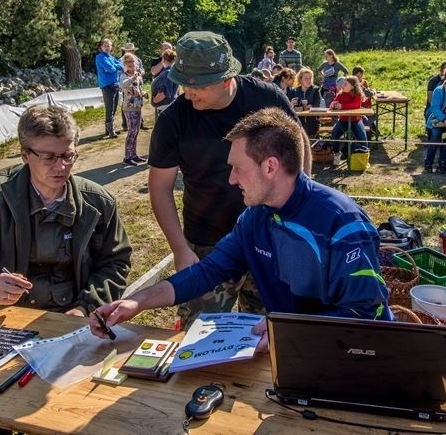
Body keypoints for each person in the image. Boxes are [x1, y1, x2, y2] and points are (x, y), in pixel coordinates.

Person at [92, 108, 392, 351]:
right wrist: (137, 301)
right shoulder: (254, 218)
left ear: (270, 167)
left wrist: (291, 332)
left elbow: (367, 314)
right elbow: (208, 271)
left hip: (353, 358)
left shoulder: (343, 223)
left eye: (238, 168)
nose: (232, 179)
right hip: (294, 351)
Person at [0, 105, 132, 435]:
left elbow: (115, 262)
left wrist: (85, 307)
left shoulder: (98, 202)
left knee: (83, 415)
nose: (61, 167)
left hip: (72, 327)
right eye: (48, 157)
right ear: (24, 155)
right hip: (3, 326)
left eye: (68, 156)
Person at [148, 31, 311, 330]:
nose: (188, 93)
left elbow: (298, 143)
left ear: (226, 80)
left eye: (198, 86)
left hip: (268, 236)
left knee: (269, 332)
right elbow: (159, 186)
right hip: (207, 242)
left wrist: (299, 205)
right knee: (200, 335)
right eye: (183, 84)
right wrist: (180, 248)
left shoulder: (266, 98)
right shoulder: (174, 119)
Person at [329, 75, 369, 164]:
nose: (343, 86)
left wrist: (342, 106)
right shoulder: (341, 94)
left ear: (352, 86)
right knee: (334, 134)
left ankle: (363, 155)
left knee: (363, 138)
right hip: (343, 120)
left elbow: (355, 105)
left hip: (356, 120)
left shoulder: (358, 95)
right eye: (343, 83)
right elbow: (335, 101)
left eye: (345, 84)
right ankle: (336, 153)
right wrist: (333, 104)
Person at [120, 52, 147, 166]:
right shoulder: (124, 75)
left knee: (136, 131)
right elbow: (123, 85)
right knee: (131, 131)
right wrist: (133, 78)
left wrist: (144, 93)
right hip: (129, 107)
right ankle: (127, 157)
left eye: (132, 61)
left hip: (138, 106)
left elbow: (139, 87)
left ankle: (134, 155)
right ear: (124, 64)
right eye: (127, 62)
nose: (130, 64)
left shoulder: (138, 75)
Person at [94, 38, 124, 138]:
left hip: (115, 84)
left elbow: (121, 66)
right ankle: (111, 131)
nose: (107, 47)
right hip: (106, 85)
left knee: (114, 107)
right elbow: (111, 69)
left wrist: (113, 66)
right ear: (101, 47)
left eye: (109, 46)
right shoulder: (100, 57)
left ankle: (109, 130)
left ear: (111, 47)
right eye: (105, 46)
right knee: (109, 108)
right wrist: (113, 67)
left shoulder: (111, 57)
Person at [293, 67, 322, 137]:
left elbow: (316, 105)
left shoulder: (315, 90)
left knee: (302, 133)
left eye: (310, 78)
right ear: (300, 79)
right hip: (298, 122)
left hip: (313, 122)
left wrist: (305, 107)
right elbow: (291, 106)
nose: (309, 80)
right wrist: (292, 105)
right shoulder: (295, 91)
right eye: (306, 78)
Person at [150, 48, 178, 114]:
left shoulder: (168, 72)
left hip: (166, 107)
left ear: (164, 60)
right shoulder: (171, 71)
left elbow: (164, 93)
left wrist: (154, 102)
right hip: (168, 106)